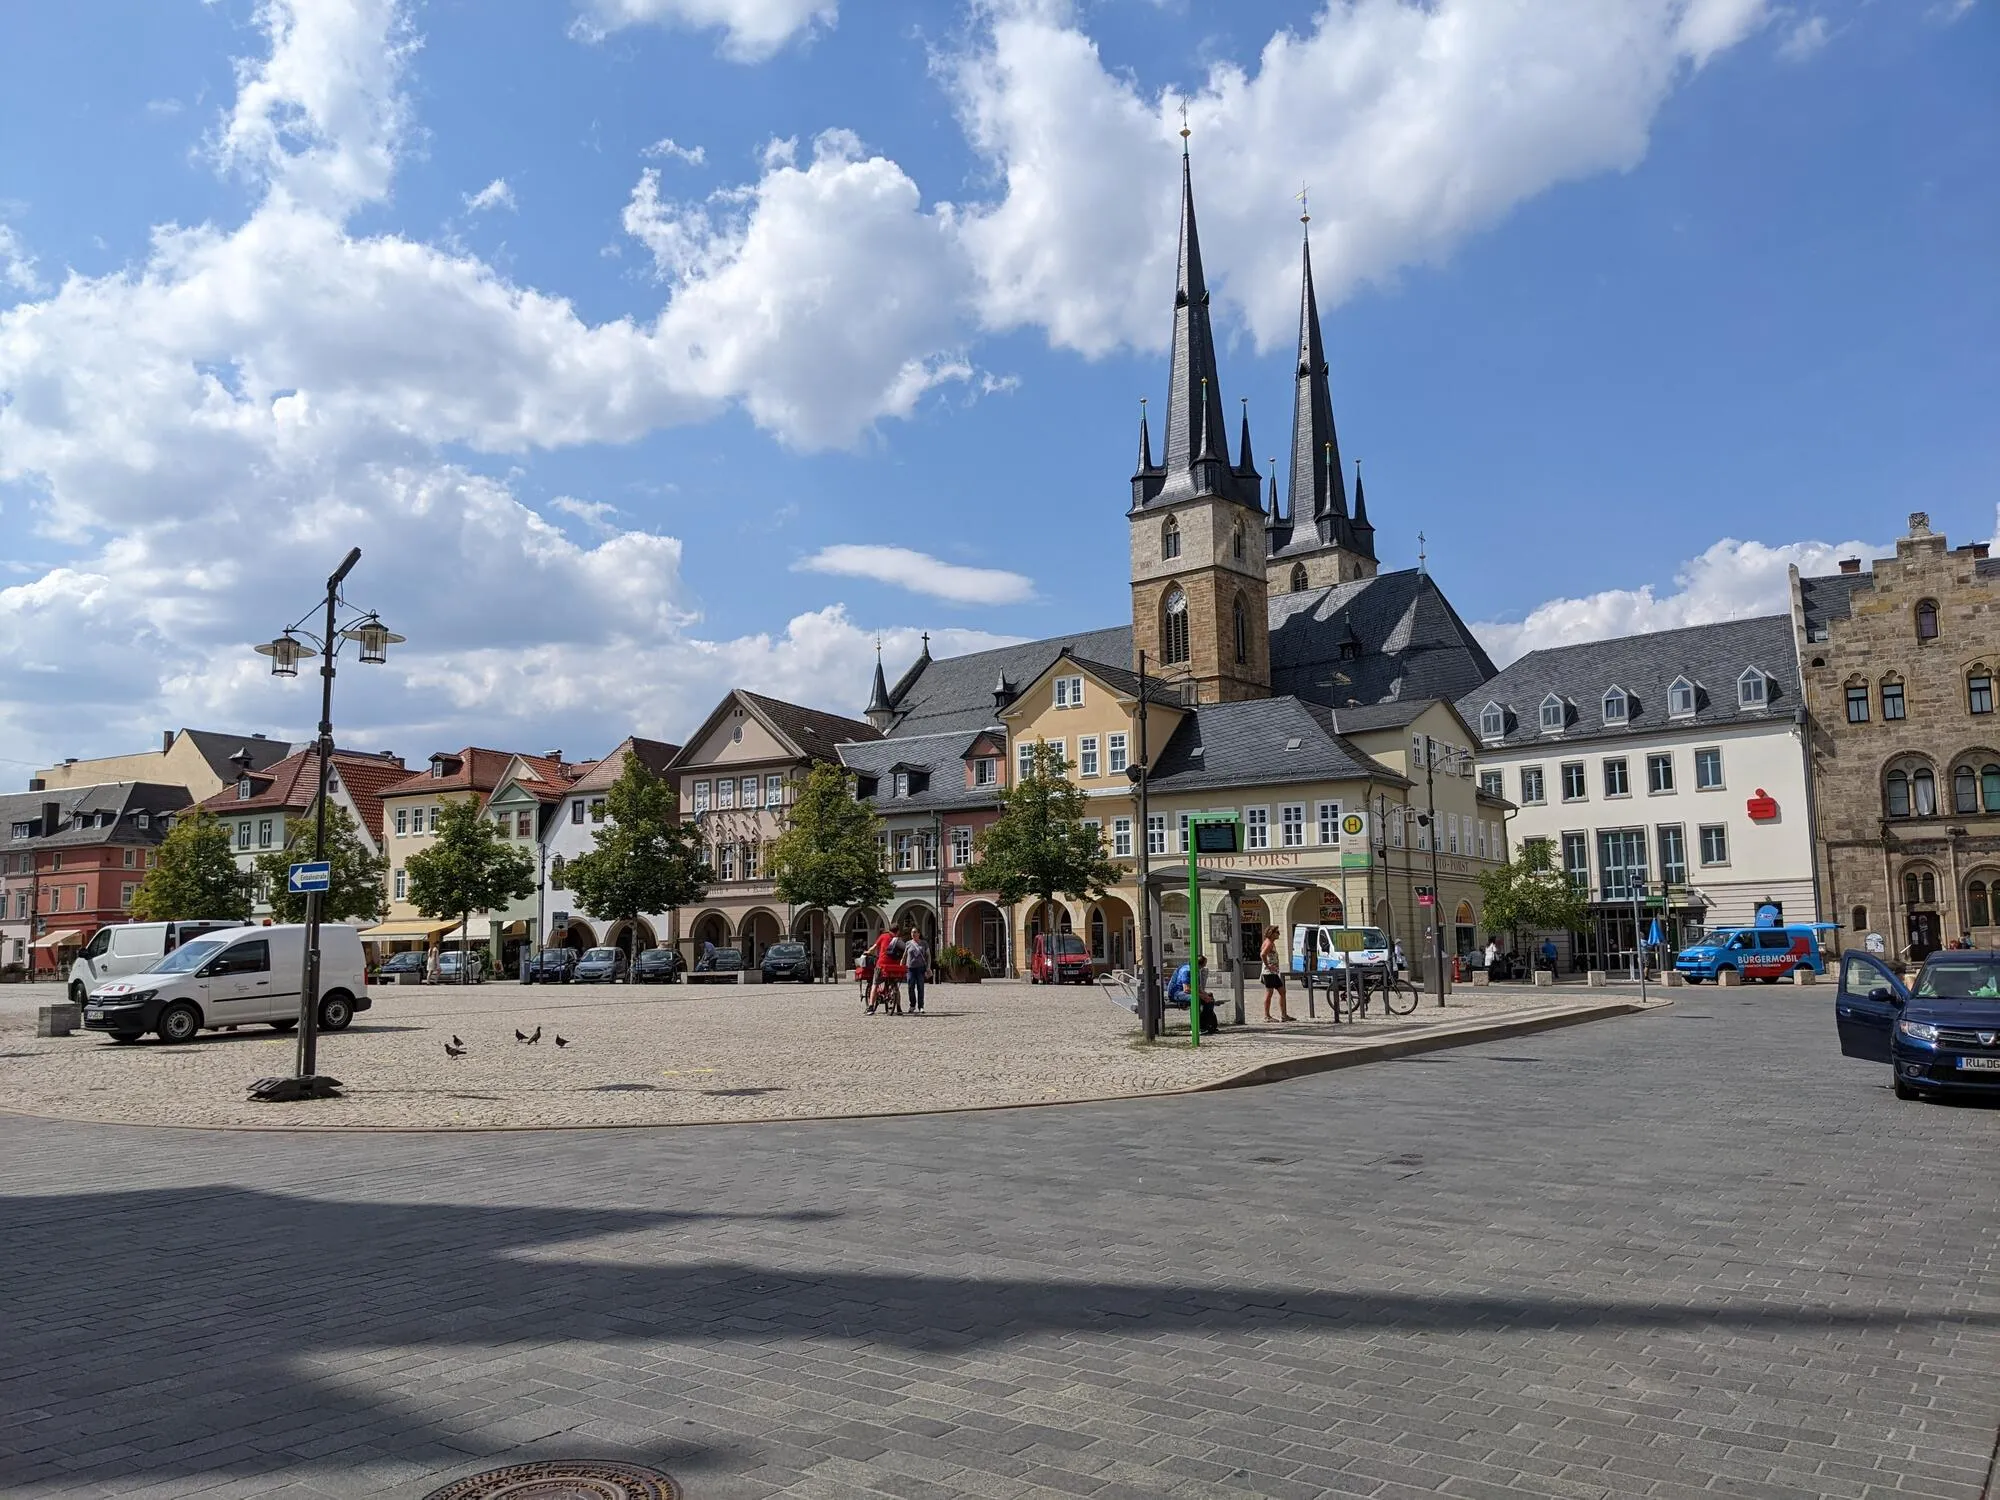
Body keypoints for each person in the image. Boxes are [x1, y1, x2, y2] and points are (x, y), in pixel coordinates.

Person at [870, 923, 909, 1013]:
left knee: (875, 984)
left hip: (882, 965)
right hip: (894, 967)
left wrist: (868, 951)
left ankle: (871, 1007)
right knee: (895, 986)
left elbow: (874, 948)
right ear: (898, 931)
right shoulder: (898, 940)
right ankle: (899, 1007)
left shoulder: (883, 936)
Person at [1258, 925, 1293, 1023]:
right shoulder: (1269, 943)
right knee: (1269, 993)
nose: (1279, 934)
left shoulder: (1270, 943)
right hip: (1269, 973)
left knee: (1282, 991)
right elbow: (1263, 954)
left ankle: (1284, 1015)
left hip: (1273, 972)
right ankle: (1267, 1016)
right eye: (1277, 932)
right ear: (1271, 933)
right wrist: (1268, 966)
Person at [905, 931, 930, 1013]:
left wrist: (928, 967)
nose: (913, 934)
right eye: (912, 932)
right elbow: (905, 954)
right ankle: (912, 1005)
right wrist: (902, 962)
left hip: (920, 968)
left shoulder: (924, 943)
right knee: (910, 987)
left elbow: (928, 955)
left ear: (919, 934)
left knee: (920, 987)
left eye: (915, 932)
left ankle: (921, 1006)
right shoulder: (908, 943)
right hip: (910, 968)